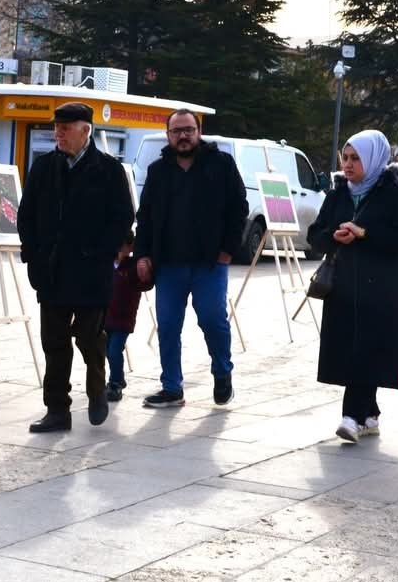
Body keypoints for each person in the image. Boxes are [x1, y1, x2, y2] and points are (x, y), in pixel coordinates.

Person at [15, 101, 135, 432]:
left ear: (86, 130)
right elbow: (26, 215)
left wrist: (101, 252)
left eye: (65, 128)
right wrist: (34, 254)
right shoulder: (43, 168)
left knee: (87, 337)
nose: (58, 134)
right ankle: (57, 410)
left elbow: (123, 216)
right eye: (56, 128)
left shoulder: (109, 170)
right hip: (51, 272)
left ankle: (97, 390)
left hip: (90, 273)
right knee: (53, 343)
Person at [306, 129, 398, 444]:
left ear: (373, 158)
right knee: (351, 348)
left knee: (368, 347)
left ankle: (351, 417)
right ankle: (369, 414)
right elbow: (316, 233)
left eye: (356, 158)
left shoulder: (394, 190)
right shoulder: (340, 191)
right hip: (343, 283)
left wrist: (366, 233)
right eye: (346, 157)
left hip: (381, 286)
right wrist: (333, 237)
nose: (349, 164)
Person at [133, 109, 248, 409]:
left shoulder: (220, 164)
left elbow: (239, 208)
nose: (183, 136)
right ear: (168, 135)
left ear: (198, 131)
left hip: (209, 263)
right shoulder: (158, 171)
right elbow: (144, 217)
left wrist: (227, 250)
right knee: (168, 326)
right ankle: (172, 387)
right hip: (168, 264)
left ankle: (223, 372)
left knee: (213, 320)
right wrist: (142, 254)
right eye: (176, 131)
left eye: (188, 130)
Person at [105, 238, 152, 402]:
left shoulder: (132, 266)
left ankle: (116, 383)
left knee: (114, 350)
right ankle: (117, 378)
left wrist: (145, 270)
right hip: (106, 317)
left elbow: (145, 284)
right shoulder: (106, 264)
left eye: (123, 246)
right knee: (107, 350)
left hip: (123, 319)